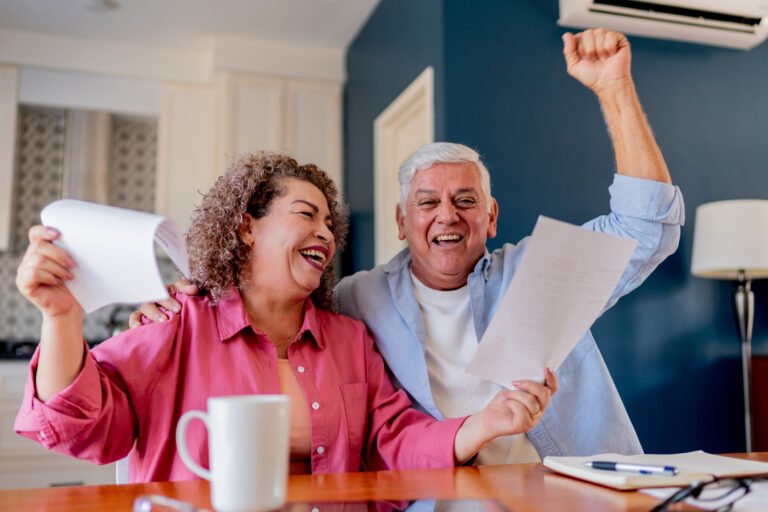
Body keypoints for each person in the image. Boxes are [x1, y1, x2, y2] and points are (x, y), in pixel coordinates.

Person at [133, 28, 685, 462]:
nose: (447, 214)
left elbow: (648, 229)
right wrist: (194, 297)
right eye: (427, 202)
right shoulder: (355, 302)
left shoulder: (541, 271)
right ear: (401, 220)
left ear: (491, 217)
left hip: (568, 494)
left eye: (466, 200)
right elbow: (266, 301)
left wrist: (615, 90)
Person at [13, 152, 557, 482]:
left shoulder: (349, 339)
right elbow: (83, 429)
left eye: (329, 223)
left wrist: (485, 425)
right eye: (305, 215)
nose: (324, 232)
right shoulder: (179, 321)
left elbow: (392, 441)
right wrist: (61, 316)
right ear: (247, 227)